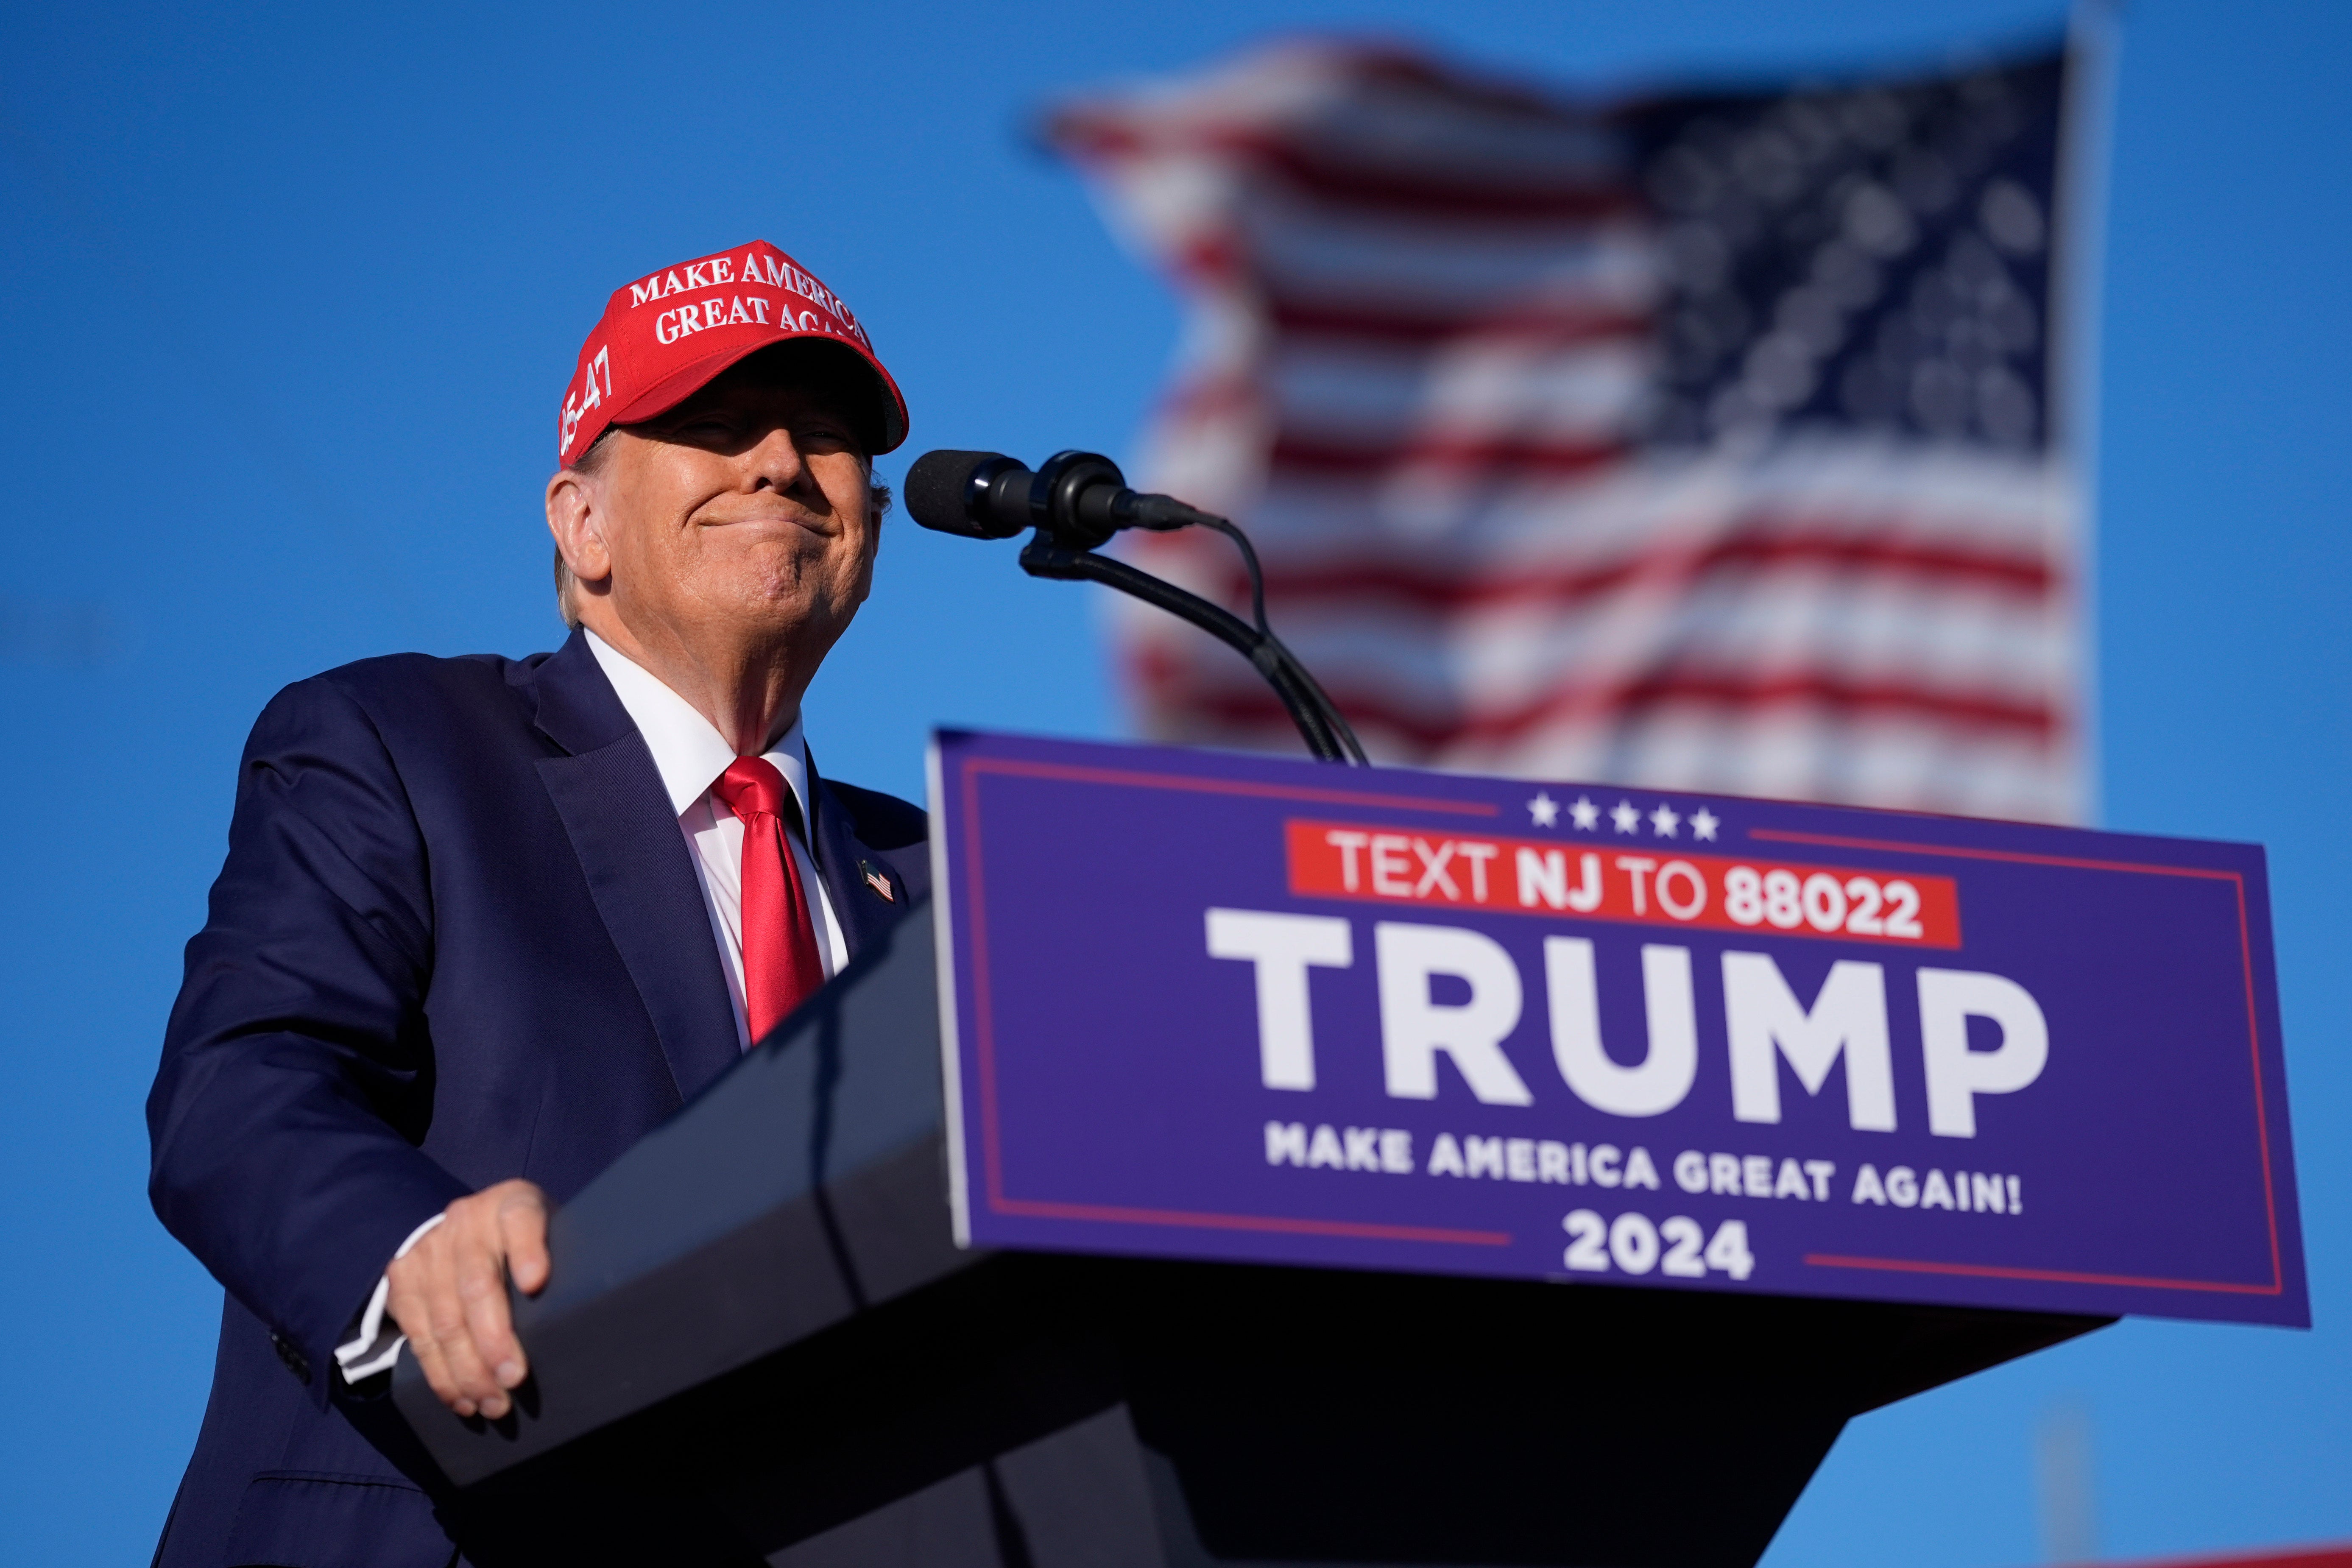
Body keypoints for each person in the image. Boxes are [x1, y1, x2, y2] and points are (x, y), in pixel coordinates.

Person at [145, 240, 926, 1567]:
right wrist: (411, 1243)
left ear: (871, 532)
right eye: (717, 426)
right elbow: (243, 1083)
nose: (784, 465)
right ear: (583, 523)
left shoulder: (947, 882)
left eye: (828, 437)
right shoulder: (397, 743)